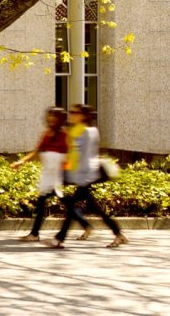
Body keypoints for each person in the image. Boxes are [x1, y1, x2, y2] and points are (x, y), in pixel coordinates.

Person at [49, 103, 127, 249]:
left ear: (83, 116)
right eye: (71, 112)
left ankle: (59, 238)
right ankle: (118, 234)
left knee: (72, 207)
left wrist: (80, 178)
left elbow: (87, 157)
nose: (71, 114)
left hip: (86, 175)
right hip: (80, 175)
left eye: (74, 112)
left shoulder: (89, 132)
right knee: (94, 208)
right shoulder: (76, 131)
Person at [12, 106, 68, 240]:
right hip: (48, 174)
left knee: (64, 204)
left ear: (60, 119)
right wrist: (21, 161)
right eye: (50, 116)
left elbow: (71, 154)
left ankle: (35, 234)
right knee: (43, 202)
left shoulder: (65, 135)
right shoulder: (47, 134)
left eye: (54, 117)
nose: (51, 119)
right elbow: (37, 151)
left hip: (57, 175)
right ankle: (35, 233)